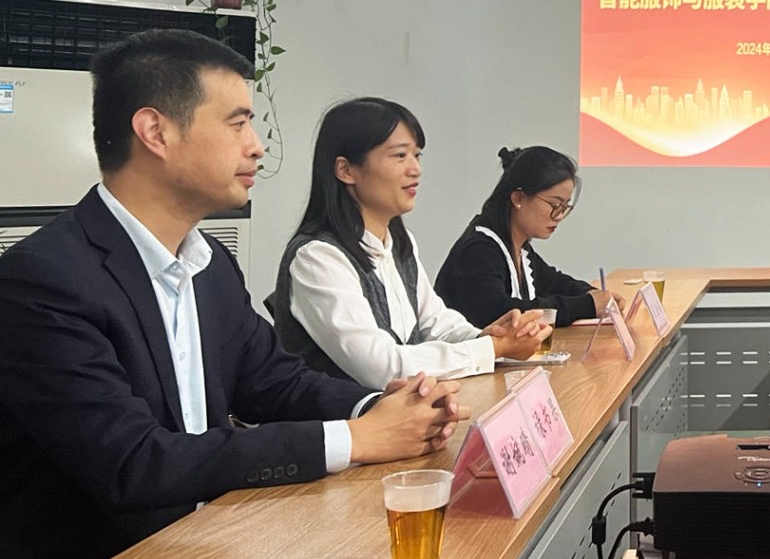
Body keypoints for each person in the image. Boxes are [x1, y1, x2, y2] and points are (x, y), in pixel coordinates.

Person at [0, 30, 469, 558]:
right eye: (237, 122)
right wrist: (356, 438)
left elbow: (272, 381)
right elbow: (133, 461)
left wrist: (385, 406)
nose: (257, 146)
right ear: (155, 131)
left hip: (213, 536)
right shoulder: (43, 280)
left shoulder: (210, 263)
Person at [272, 98, 550, 390]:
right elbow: (383, 368)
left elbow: (435, 322)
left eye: (417, 155)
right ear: (346, 170)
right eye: (400, 155)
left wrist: (485, 336)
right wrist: (491, 349)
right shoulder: (318, 257)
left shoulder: (399, 244)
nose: (415, 169)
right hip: (350, 417)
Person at [436, 145, 620, 327]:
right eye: (555, 205)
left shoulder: (520, 248)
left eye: (565, 207)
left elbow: (555, 283)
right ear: (518, 198)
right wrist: (587, 305)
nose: (559, 216)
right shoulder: (478, 250)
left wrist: (594, 294)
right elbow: (503, 313)